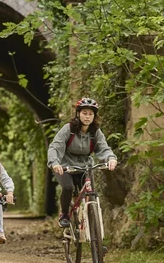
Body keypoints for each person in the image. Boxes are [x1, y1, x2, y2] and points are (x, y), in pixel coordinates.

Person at [47, 97, 117, 228]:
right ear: (78, 114)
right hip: (65, 166)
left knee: (91, 193)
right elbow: (55, 147)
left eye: (91, 114)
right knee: (68, 187)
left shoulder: (95, 132)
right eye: (84, 113)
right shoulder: (68, 129)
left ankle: (95, 236)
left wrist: (111, 158)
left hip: (85, 167)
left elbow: (104, 148)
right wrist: (54, 162)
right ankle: (65, 215)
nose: (87, 117)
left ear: (94, 116)